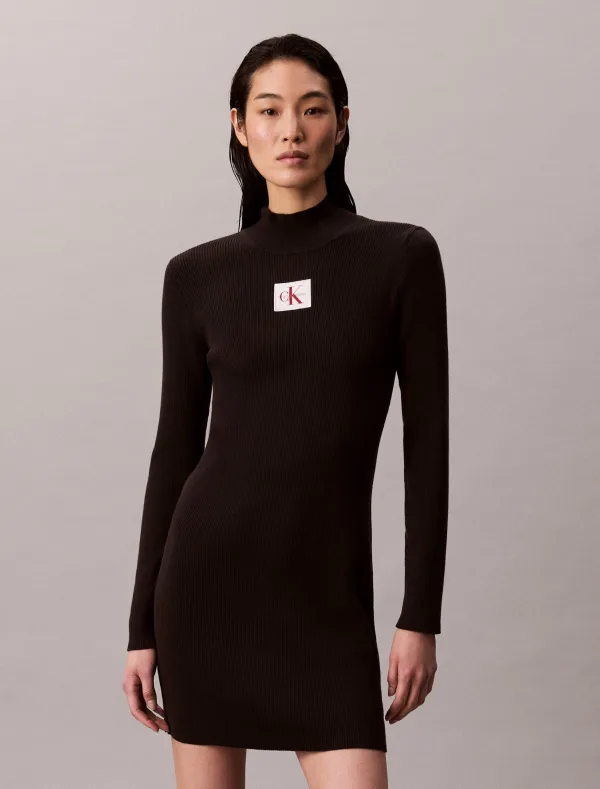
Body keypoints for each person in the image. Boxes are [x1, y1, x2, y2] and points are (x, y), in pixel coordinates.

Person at [122, 33, 449, 789]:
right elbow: (174, 453)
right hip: (206, 587)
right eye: (269, 111)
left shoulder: (400, 258)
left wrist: (420, 615)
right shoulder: (197, 276)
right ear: (241, 127)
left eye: (312, 109)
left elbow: (427, 446)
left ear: (342, 122)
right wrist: (140, 627)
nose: (291, 130)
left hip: (326, 598)